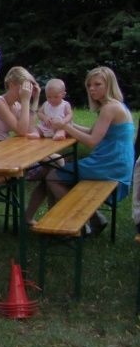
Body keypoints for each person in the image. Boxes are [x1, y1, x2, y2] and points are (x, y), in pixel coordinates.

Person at [26, 67, 135, 232]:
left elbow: (92, 141)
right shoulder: (115, 105)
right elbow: (92, 131)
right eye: (89, 85)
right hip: (116, 163)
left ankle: (81, 220)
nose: (92, 89)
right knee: (58, 172)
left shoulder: (109, 108)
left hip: (109, 166)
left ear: (110, 85)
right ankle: (93, 218)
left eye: (97, 84)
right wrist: (68, 124)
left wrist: (65, 127)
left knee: (53, 177)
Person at [0, 66, 40, 145]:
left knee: (47, 154)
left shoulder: (16, 105)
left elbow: (30, 128)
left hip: (3, 144)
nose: (26, 91)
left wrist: (36, 99)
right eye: (24, 87)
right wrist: (25, 100)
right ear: (12, 85)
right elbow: (21, 131)